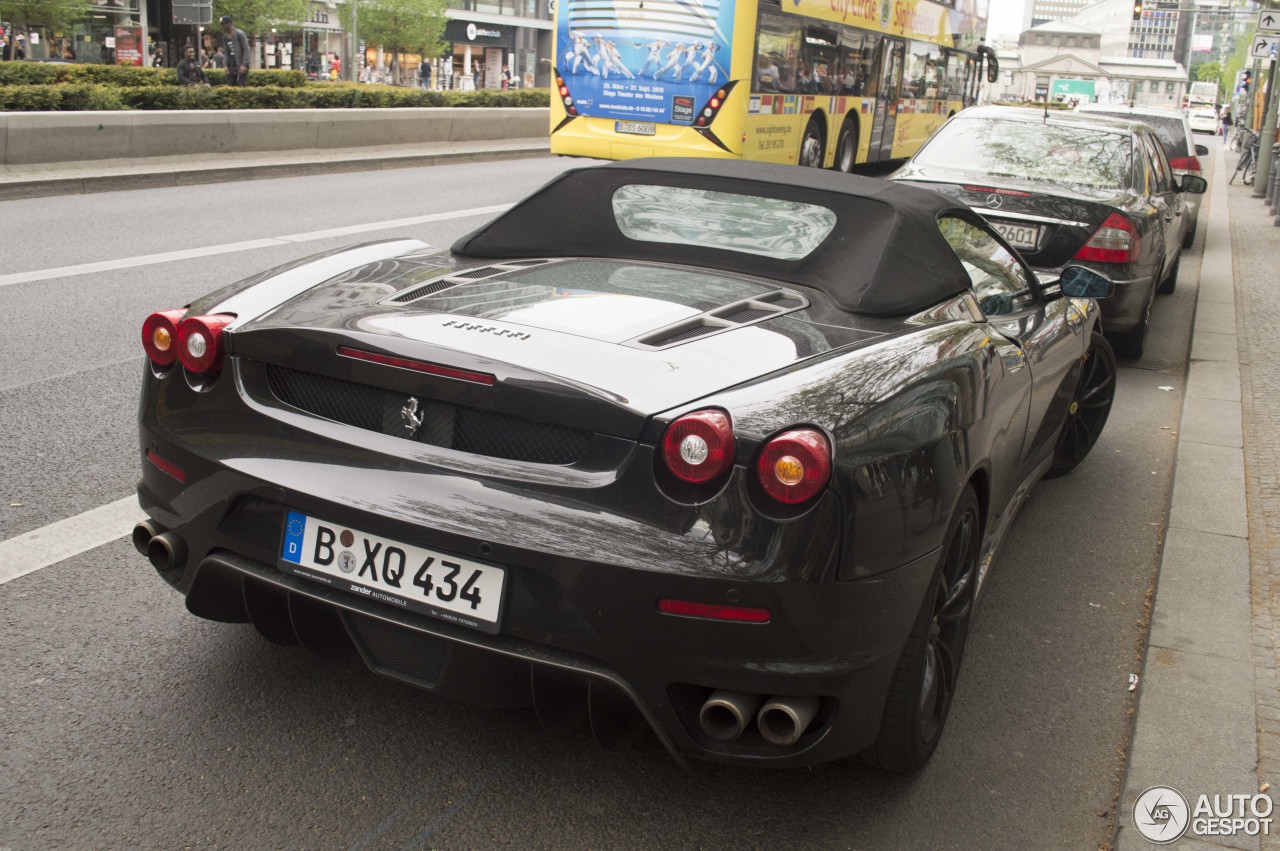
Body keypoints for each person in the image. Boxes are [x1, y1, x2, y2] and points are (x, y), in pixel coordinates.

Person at [220, 16, 249, 85]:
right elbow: (226, 52)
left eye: (224, 24)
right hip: (231, 64)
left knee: (241, 84)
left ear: (229, 24)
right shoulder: (225, 37)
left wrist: (244, 64)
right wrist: (225, 65)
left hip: (240, 62)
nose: (223, 26)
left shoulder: (239, 34)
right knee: (231, 84)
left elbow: (246, 49)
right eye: (222, 24)